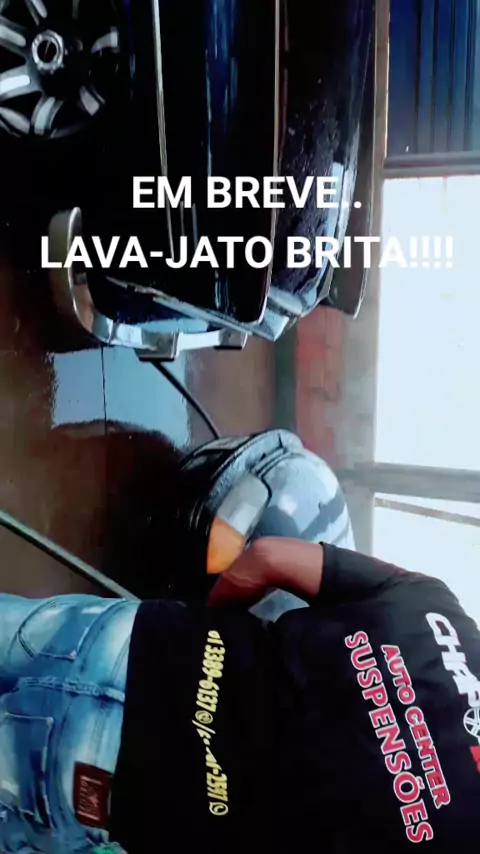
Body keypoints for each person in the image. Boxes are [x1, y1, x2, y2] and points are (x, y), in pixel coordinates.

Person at [1, 538, 480, 853]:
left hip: (125, 640)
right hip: (113, 780)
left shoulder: (438, 608)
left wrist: (207, 633)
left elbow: (267, 557)